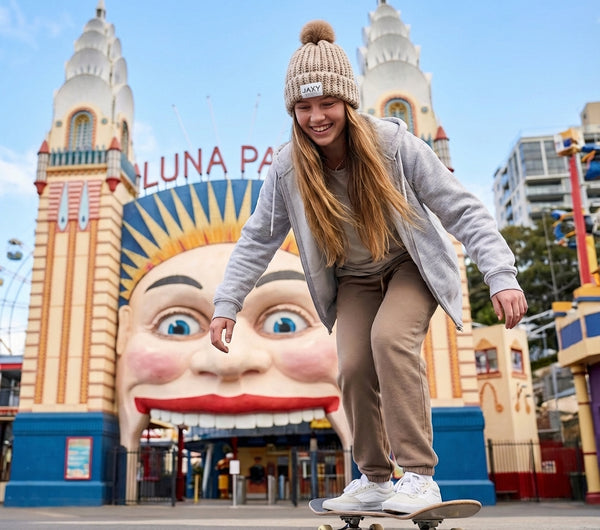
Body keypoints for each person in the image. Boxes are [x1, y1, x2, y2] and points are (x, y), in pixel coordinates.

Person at [210, 20, 527, 513]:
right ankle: (375, 478)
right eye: (304, 107)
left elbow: (461, 208)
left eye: (327, 104)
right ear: (293, 110)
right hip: (354, 278)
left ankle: (419, 476)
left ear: (347, 102)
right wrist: (226, 304)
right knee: (354, 365)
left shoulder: (393, 145)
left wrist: (500, 274)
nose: (317, 117)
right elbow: (258, 238)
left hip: (409, 266)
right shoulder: (289, 168)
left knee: (390, 341)